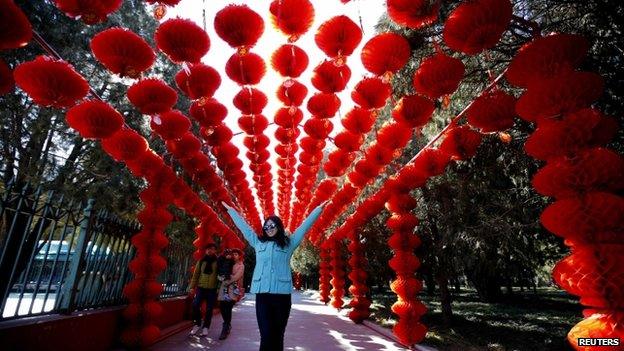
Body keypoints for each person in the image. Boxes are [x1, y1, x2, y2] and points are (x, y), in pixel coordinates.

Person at [222, 201, 325, 351]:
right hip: (263, 297)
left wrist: (318, 209)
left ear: (278, 227)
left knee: (278, 335)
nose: (269, 229)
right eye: (266, 226)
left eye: (272, 226)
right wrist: (231, 211)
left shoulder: (288, 244)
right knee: (266, 335)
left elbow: (304, 228)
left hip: (282, 297)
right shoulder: (258, 243)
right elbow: (245, 228)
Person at [189, 243, 219, 337]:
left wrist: (218, 289)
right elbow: (196, 275)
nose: (210, 250)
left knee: (209, 309)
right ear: (206, 250)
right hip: (201, 288)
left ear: (215, 251)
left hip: (212, 289)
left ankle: (206, 327)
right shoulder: (201, 261)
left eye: (212, 249)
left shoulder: (218, 262)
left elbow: (220, 276)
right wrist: (192, 287)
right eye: (208, 249)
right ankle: (197, 323)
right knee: (195, 304)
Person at [217, 248, 244, 340]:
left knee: (228, 307)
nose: (234, 256)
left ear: (239, 256)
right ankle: (227, 324)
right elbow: (220, 273)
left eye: (236, 254)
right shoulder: (227, 262)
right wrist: (221, 277)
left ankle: (225, 328)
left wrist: (225, 278)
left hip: (233, 289)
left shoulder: (241, 265)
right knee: (222, 306)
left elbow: (236, 277)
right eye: (233, 254)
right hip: (224, 288)